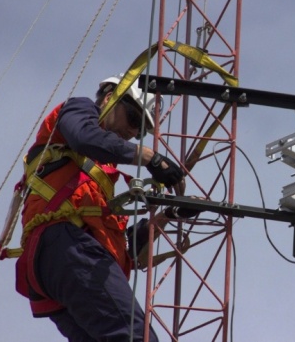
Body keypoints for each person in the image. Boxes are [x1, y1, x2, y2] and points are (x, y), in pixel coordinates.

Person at [15, 75, 184, 342]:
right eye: (132, 119)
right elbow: (85, 137)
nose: (132, 133)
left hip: (64, 260)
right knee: (136, 337)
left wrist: (165, 217)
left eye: (140, 131)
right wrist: (149, 157)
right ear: (109, 98)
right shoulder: (79, 110)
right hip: (65, 247)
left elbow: (118, 243)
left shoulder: (98, 183)